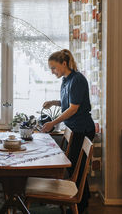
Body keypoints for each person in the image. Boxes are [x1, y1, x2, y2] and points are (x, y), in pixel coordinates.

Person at [41, 49, 95, 214]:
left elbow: (73, 108)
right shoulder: (65, 80)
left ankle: (80, 203)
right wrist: (54, 102)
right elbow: (68, 101)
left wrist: (53, 123)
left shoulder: (77, 79)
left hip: (82, 128)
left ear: (64, 64)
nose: (52, 71)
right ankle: (84, 197)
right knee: (75, 166)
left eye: (53, 67)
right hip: (74, 128)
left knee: (75, 166)